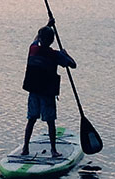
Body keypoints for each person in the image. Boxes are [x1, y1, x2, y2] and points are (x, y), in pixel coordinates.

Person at [21, 18, 77, 157]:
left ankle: (25, 149)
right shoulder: (55, 55)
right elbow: (73, 65)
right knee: (50, 122)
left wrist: (47, 25)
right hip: (46, 94)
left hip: (34, 92)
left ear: (40, 39)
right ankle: (53, 150)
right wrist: (66, 54)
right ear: (52, 41)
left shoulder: (33, 49)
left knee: (31, 120)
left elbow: (37, 37)